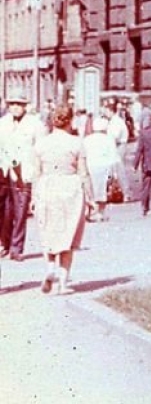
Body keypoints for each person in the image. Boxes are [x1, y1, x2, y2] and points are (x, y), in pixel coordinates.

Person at [32, 104, 93, 294]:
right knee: (68, 233)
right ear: (70, 120)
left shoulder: (41, 144)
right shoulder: (76, 143)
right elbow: (83, 173)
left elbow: (36, 173)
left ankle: (50, 267)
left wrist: (34, 197)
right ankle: (63, 284)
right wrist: (91, 198)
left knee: (49, 230)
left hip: (47, 186)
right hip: (70, 187)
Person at [0, 93, 46, 259]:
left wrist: (38, 171)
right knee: (5, 211)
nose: (15, 108)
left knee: (20, 210)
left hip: (24, 171)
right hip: (4, 170)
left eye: (19, 104)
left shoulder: (35, 124)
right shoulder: (3, 123)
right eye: (12, 104)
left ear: (25, 106)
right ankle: (4, 243)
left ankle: (16, 248)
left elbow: (40, 149)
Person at [83, 116, 119, 220]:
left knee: (90, 189)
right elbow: (113, 156)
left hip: (90, 165)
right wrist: (115, 173)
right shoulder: (108, 139)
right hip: (104, 166)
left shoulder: (87, 139)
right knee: (102, 190)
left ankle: (90, 211)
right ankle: (100, 212)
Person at [133, 112, 151, 216]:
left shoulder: (143, 133)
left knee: (146, 186)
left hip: (147, 163)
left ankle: (144, 207)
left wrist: (135, 164)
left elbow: (139, 150)